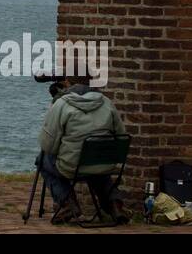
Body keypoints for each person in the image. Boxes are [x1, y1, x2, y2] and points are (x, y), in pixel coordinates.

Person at [37, 78, 129, 224]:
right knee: (98, 168)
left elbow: (48, 146)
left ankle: (67, 204)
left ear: (67, 82)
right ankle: (115, 205)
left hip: (72, 167)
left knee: (42, 160)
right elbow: (121, 136)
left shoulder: (62, 104)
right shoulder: (106, 102)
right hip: (103, 164)